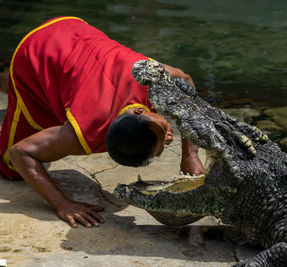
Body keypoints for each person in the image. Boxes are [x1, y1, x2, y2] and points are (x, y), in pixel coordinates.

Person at [0, 16, 204, 228]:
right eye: (165, 133)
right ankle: (16, 78)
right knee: (10, 167)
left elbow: (185, 80)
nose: (170, 136)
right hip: (38, 49)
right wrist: (61, 203)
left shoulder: (147, 76)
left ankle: (9, 79)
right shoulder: (84, 133)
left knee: (60, 98)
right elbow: (20, 153)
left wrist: (190, 153)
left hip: (73, 29)